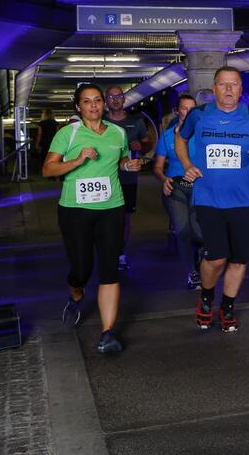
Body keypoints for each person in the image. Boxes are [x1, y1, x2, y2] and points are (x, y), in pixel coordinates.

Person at [42, 83, 141, 353]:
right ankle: (76, 293)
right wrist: (77, 161)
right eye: (87, 101)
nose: (94, 105)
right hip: (75, 210)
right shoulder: (68, 134)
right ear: (78, 107)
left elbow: (120, 159)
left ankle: (107, 333)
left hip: (111, 207)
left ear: (104, 104)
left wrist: (127, 164)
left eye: (97, 100)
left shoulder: (117, 133)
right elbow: (48, 169)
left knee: (109, 268)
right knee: (82, 270)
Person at [176, 67, 249, 332]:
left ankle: (227, 306)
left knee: (240, 259)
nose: (229, 89)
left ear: (241, 89)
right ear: (214, 88)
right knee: (217, 257)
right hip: (208, 198)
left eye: (234, 85)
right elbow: (180, 139)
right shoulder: (199, 115)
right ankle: (206, 299)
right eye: (223, 84)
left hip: (240, 201)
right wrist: (186, 164)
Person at [153, 94, 203, 290]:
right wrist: (164, 179)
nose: (188, 112)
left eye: (192, 109)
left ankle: (200, 260)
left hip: (200, 186)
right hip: (176, 186)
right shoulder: (167, 136)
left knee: (200, 234)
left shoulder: (203, 134)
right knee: (182, 230)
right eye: (184, 108)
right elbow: (157, 167)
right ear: (177, 111)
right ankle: (192, 273)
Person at [104, 85, 152, 271]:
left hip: (128, 178)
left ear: (124, 99)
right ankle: (107, 251)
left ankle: (120, 253)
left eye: (119, 96)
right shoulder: (100, 121)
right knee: (106, 218)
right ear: (106, 100)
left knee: (124, 218)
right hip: (104, 178)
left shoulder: (136, 121)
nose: (115, 100)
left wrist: (141, 145)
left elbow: (147, 145)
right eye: (111, 96)